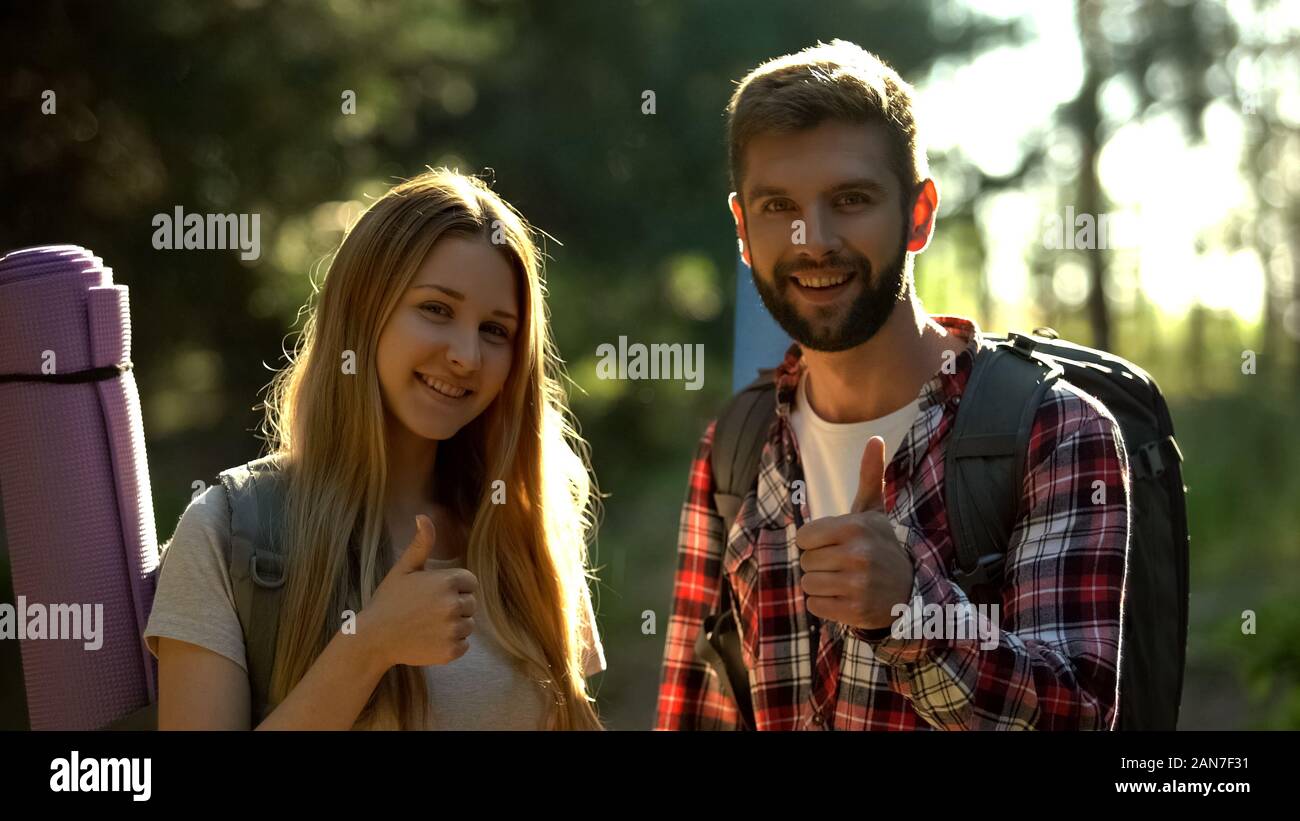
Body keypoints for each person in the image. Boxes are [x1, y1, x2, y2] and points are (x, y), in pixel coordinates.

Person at [655, 40, 1130, 731]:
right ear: (743, 231)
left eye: (850, 199)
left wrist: (911, 610)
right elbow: (693, 712)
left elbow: (1081, 719)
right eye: (778, 205)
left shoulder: (1054, 431)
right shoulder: (734, 446)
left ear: (919, 213)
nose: (813, 239)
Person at [144, 168, 605, 730]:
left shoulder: (529, 533)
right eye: (436, 309)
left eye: (495, 330)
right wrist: (369, 646)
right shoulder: (227, 531)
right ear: (363, 312)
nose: (467, 355)